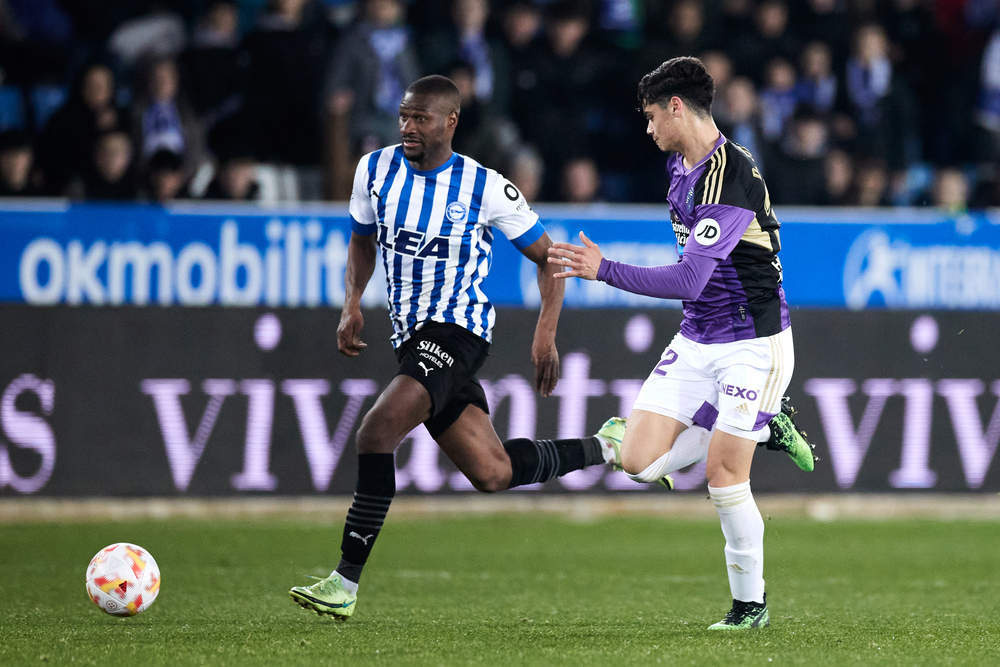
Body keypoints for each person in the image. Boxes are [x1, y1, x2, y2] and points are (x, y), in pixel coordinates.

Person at [288, 75, 621, 620]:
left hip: (458, 332)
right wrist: (352, 300)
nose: (408, 127)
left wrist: (545, 333)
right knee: (492, 473)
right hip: (409, 338)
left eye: (420, 118)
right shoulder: (373, 170)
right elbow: (361, 238)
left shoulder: (485, 187)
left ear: (451, 122)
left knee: (375, 433)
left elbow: (549, 258)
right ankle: (607, 446)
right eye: (403, 116)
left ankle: (344, 583)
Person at [547, 57, 815, 630]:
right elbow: (696, 280)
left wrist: (604, 270)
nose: (648, 131)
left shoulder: (732, 173)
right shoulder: (678, 168)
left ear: (676, 107)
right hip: (698, 338)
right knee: (640, 463)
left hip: (753, 342)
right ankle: (767, 425)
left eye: (651, 117)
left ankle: (751, 607)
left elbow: (689, 278)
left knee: (724, 476)